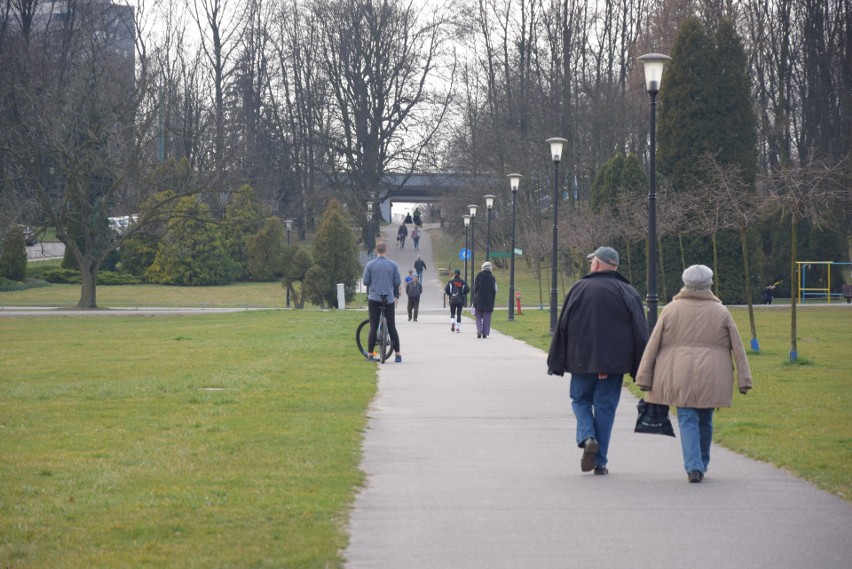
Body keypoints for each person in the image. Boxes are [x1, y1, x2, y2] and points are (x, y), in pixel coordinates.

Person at [635, 265, 753, 483]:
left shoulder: (671, 309)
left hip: (678, 373)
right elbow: (738, 347)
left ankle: (693, 467)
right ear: (709, 284)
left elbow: (653, 343)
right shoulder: (721, 311)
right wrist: (744, 380)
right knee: (706, 419)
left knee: (687, 418)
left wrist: (644, 377)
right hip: (712, 375)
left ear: (685, 283)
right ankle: (702, 463)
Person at [547, 246, 649, 475]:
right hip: (614, 365)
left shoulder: (579, 289)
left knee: (580, 399)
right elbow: (640, 332)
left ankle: (587, 436)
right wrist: (641, 368)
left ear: (596, 264)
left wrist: (556, 361)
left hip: (581, 362)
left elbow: (562, 326)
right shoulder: (627, 291)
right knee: (605, 409)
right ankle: (600, 462)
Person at [362, 242, 403, 363]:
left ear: (376, 251)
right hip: (388, 299)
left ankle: (370, 355)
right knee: (392, 327)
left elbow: (365, 282)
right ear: (386, 251)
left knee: (373, 327)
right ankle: (398, 355)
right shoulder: (393, 265)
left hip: (374, 298)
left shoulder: (370, 265)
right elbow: (397, 282)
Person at [473, 261, 497, 338]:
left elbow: (475, 287)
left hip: (479, 298)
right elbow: (495, 289)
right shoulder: (492, 278)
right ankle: (485, 333)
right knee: (487, 316)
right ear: (490, 269)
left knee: (478, 315)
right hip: (489, 299)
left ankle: (479, 329)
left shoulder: (479, 275)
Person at [445, 269, 469, 333]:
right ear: (459, 274)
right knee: (459, 314)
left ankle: (453, 322)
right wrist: (463, 293)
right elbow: (467, 290)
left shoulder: (451, 282)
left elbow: (447, 290)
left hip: (452, 300)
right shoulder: (462, 282)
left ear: (454, 273)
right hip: (460, 300)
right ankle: (458, 328)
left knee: (452, 313)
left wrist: (450, 294)